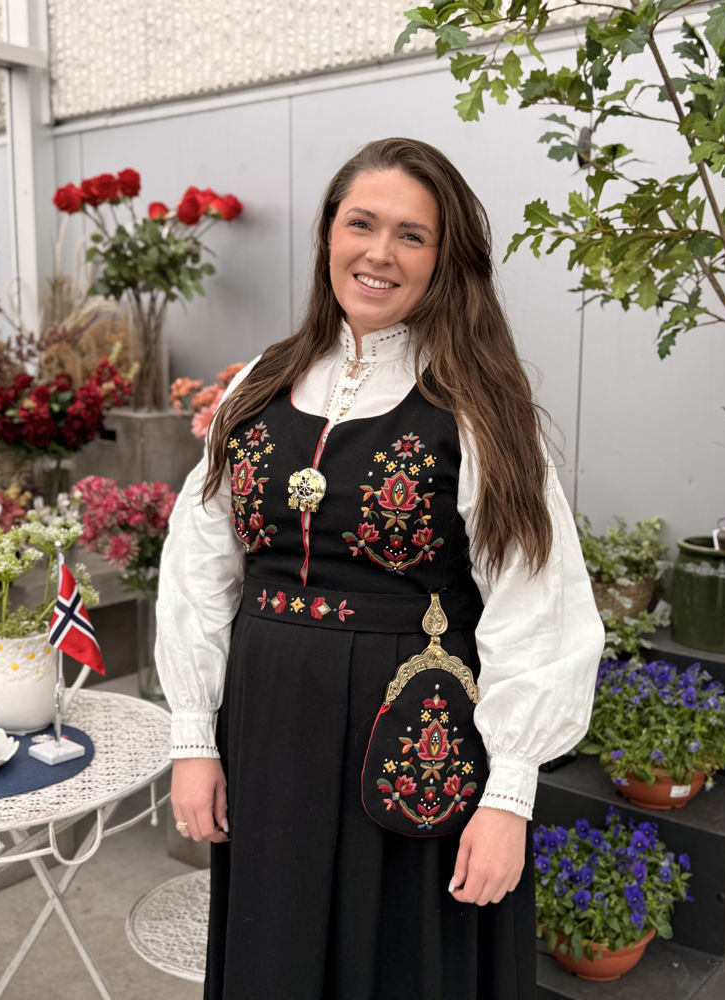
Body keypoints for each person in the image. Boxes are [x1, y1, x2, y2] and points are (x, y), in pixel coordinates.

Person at [156, 137, 605, 1000]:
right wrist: (192, 738)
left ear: (444, 259)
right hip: (267, 728)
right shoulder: (257, 385)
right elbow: (199, 565)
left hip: (410, 733)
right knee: (276, 953)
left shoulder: (480, 406)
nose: (380, 253)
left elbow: (536, 603)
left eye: (412, 235)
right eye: (361, 224)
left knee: (400, 964)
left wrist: (509, 796)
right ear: (329, 232)